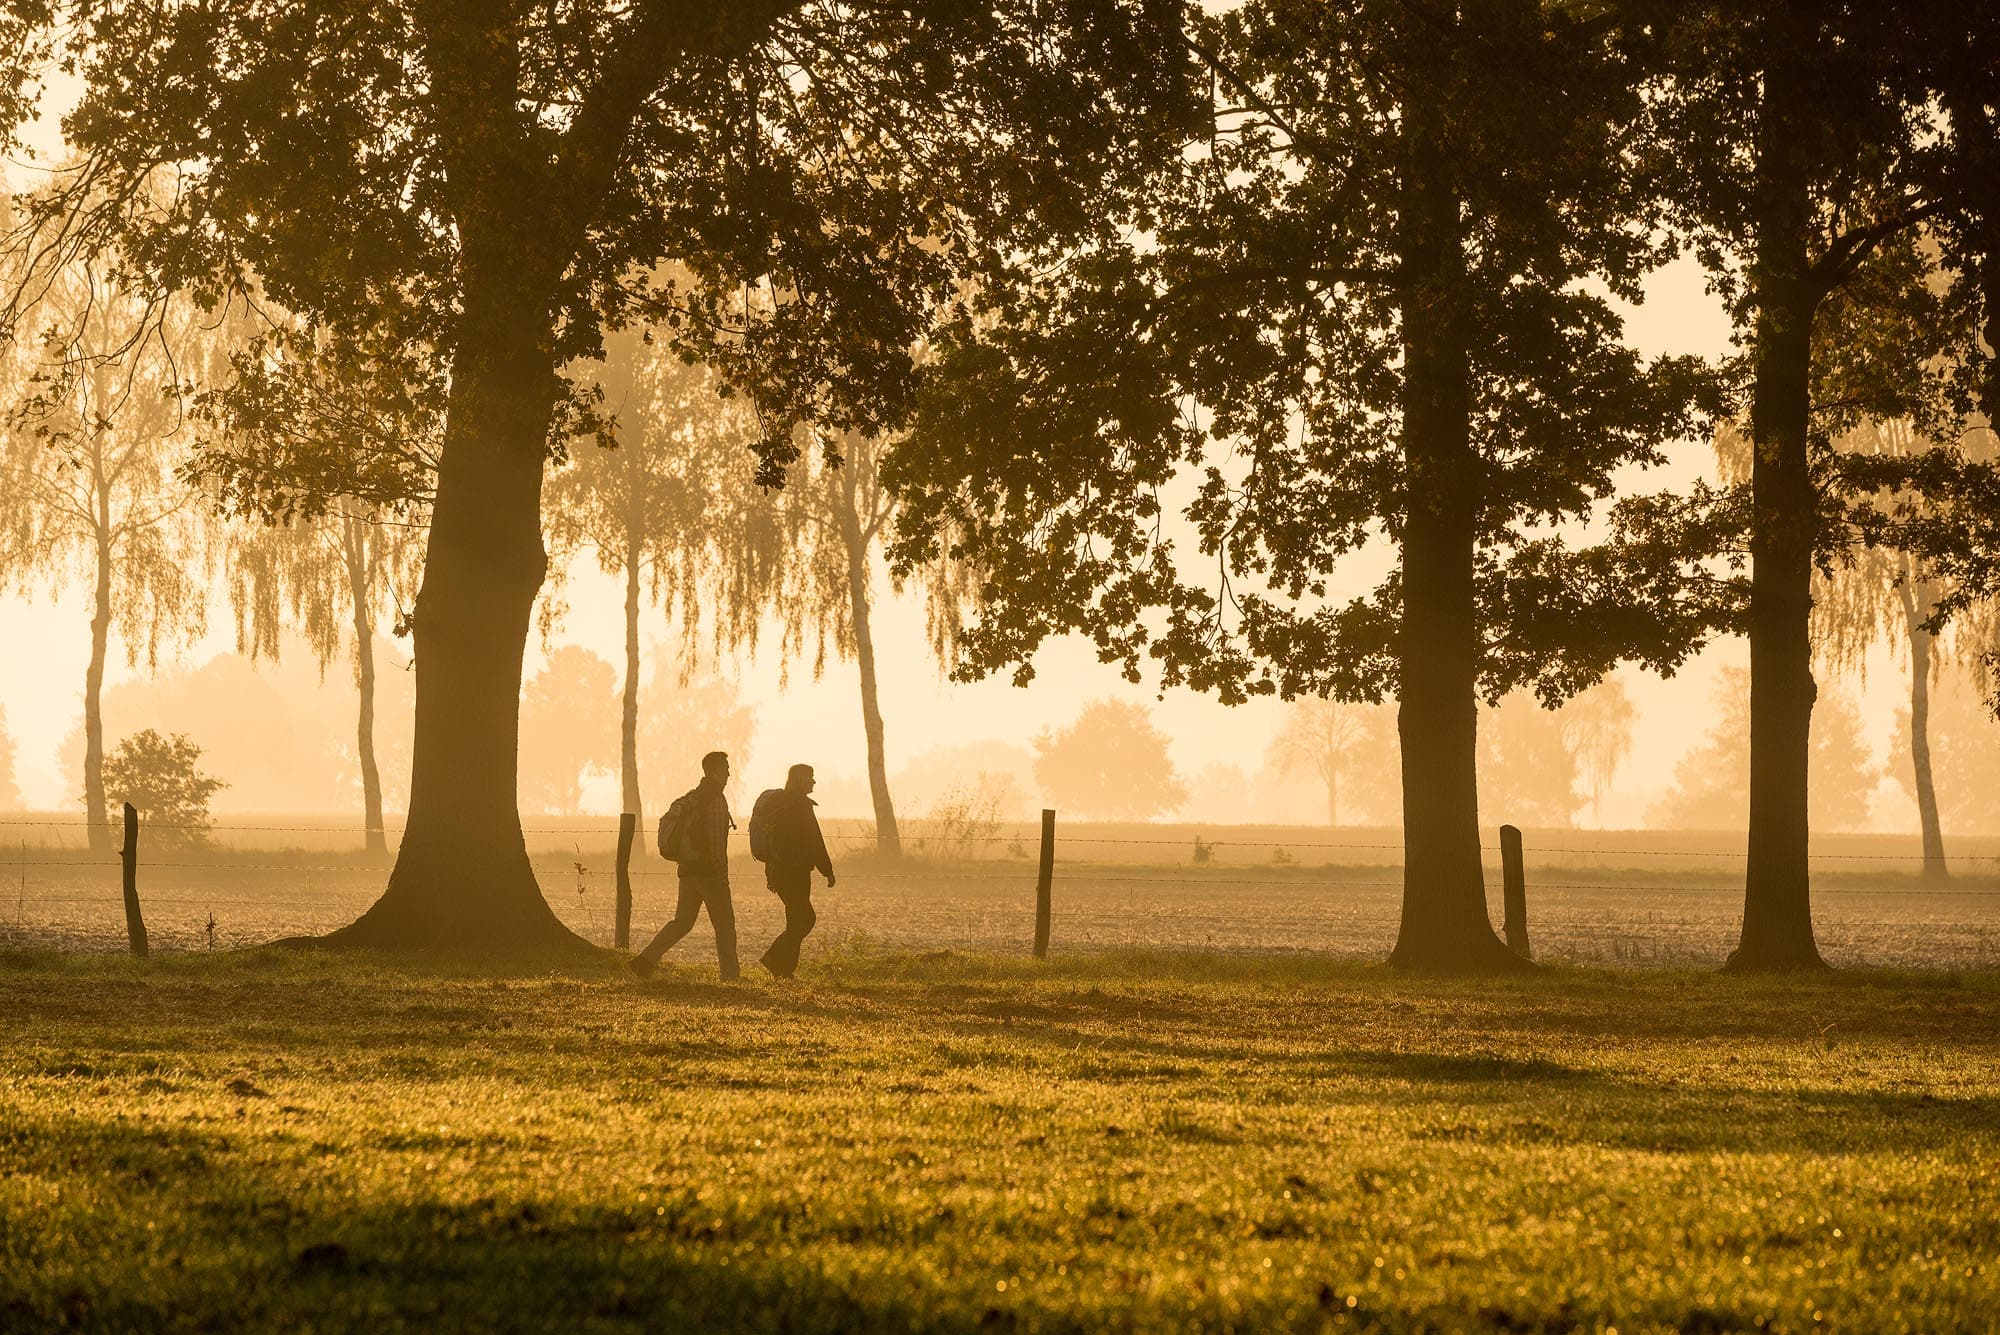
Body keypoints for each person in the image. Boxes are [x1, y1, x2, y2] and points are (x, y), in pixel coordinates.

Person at [631, 751, 738, 981]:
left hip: (688, 871)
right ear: (715, 771)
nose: (729, 773)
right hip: (709, 874)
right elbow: (716, 842)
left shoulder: (693, 797)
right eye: (726, 768)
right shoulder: (716, 799)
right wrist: (722, 875)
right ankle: (731, 977)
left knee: (682, 922)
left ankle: (645, 960)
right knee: (725, 925)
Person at [757, 763, 835, 979]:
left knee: (796, 918)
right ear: (801, 780)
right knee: (805, 918)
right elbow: (815, 840)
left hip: (778, 870)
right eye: (810, 777)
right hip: (795, 872)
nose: (814, 781)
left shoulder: (782, 803)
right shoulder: (800, 805)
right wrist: (827, 869)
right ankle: (774, 959)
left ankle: (783, 969)